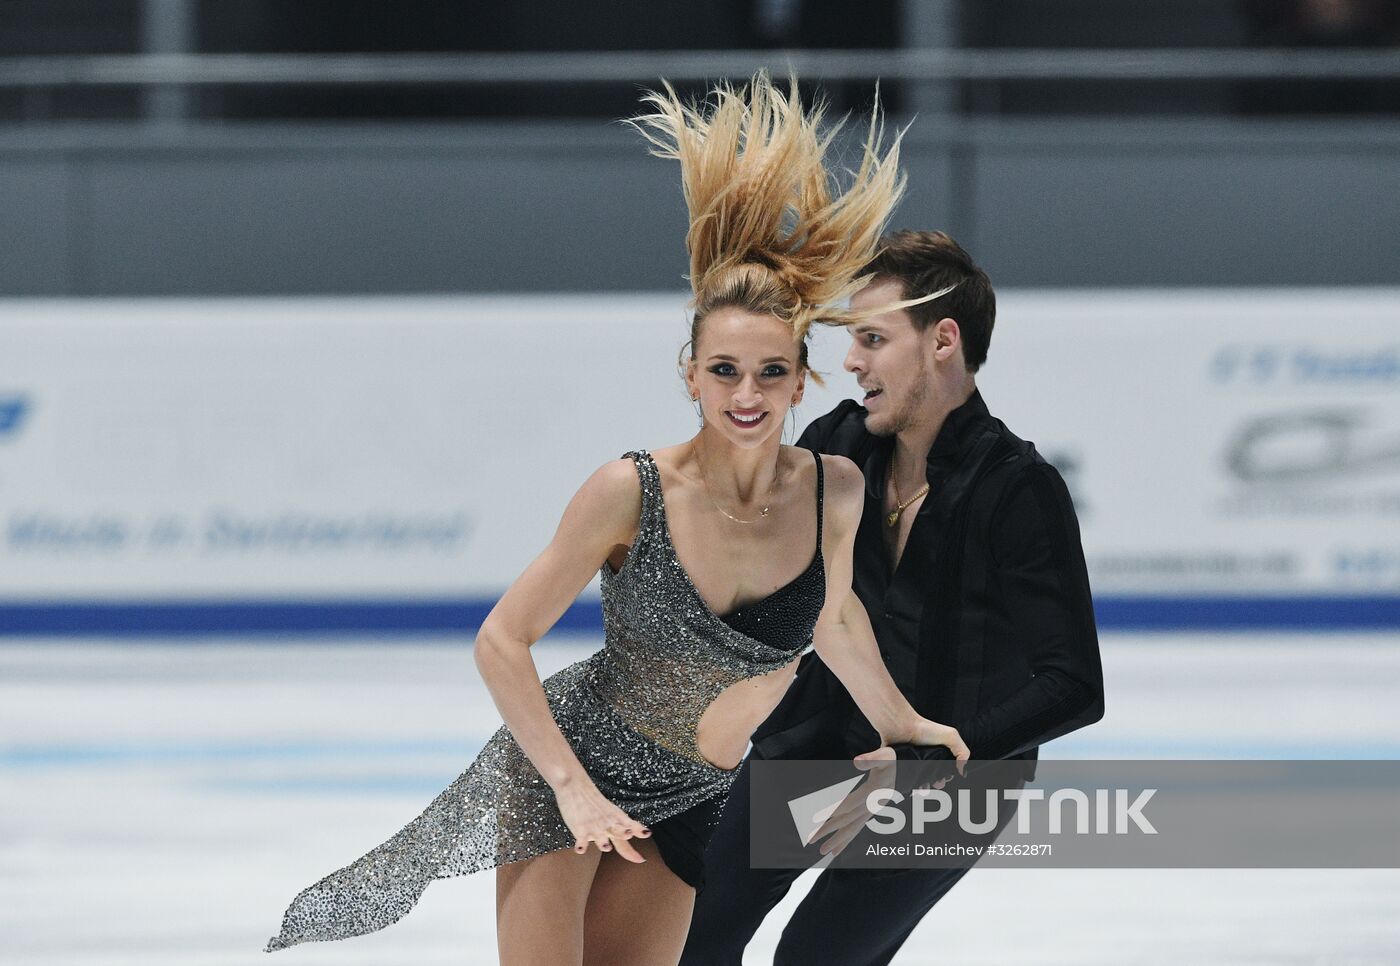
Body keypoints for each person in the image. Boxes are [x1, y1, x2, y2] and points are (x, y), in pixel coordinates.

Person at [262, 76, 969, 964]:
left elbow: (832, 617)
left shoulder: (836, 489)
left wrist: (901, 723)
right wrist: (569, 788)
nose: (745, 396)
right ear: (690, 374)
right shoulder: (630, 490)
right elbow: (502, 639)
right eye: (722, 372)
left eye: (768, 374)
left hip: (695, 790)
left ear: (802, 378)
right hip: (576, 766)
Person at [679, 230, 1107, 966]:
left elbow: (1074, 687)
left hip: (955, 782)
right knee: (694, 926)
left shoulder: (1019, 488)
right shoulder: (838, 444)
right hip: (817, 739)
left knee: (816, 956)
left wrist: (924, 762)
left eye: (872, 338)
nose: (851, 360)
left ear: (942, 341)